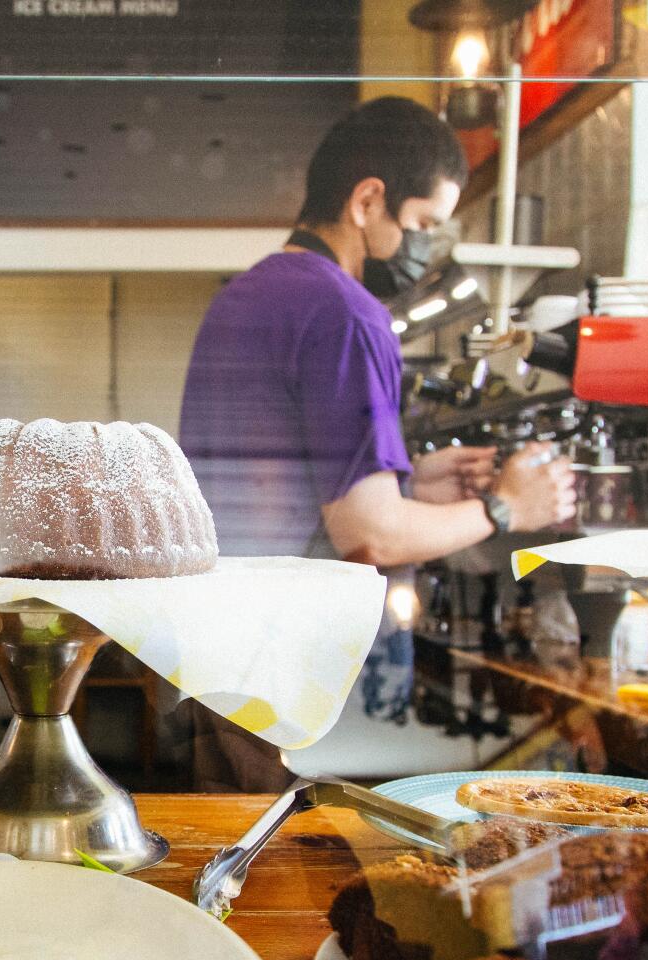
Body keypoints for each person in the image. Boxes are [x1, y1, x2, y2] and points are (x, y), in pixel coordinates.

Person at [175, 97, 575, 788]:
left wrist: (409, 481)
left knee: (234, 865)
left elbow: (282, 481)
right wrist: (508, 507)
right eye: (423, 224)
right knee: (306, 868)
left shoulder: (242, 296)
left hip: (223, 656)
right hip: (292, 674)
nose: (424, 248)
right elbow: (372, 536)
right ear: (368, 200)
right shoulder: (348, 313)